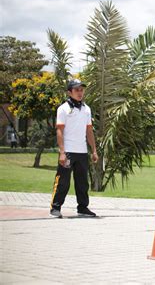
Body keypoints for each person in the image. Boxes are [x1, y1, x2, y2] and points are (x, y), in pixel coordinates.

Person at [50, 79, 99, 218]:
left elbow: (89, 131)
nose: (80, 92)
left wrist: (94, 150)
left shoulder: (86, 109)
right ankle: (55, 208)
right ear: (69, 92)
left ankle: (83, 208)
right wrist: (62, 152)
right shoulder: (63, 109)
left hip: (82, 152)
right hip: (68, 152)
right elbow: (59, 131)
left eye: (81, 90)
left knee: (82, 183)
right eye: (76, 90)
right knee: (63, 181)